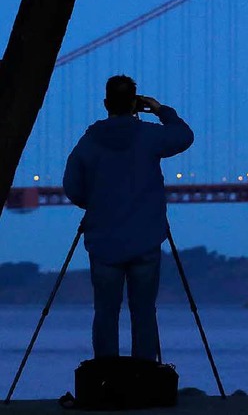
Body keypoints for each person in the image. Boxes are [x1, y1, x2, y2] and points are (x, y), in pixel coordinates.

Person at [63, 75, 194, 360]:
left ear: (105, 103)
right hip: (146, 239)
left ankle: (105, 380)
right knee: (144, 312)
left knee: (105, 312)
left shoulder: (88, 143)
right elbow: (184, 136)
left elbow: (72, 187)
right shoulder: (149, 136)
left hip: (103, 241)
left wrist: (97, 205)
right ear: (135, 104)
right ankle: (145, 376)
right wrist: (161, 110)